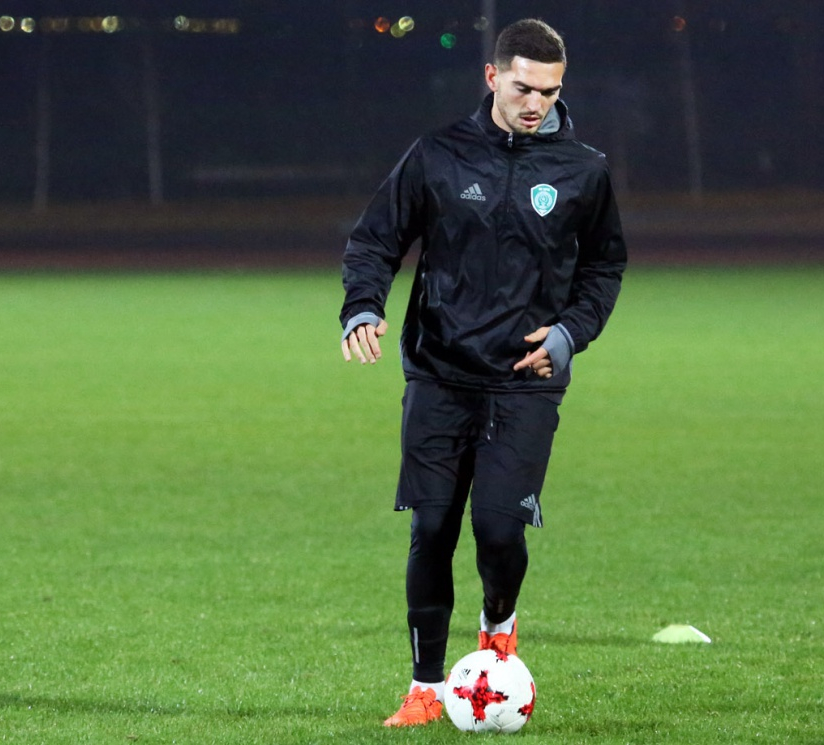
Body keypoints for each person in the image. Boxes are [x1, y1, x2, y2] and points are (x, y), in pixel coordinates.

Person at [338, 18, 627, 728]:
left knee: (499, 530)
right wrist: (363, 307)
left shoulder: (583, 170)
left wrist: (568, 335)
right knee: (432, 526)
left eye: (549, 92)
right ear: (493, 76)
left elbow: (603, 268)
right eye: (524, 87)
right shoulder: (437, 154)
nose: (536, 104)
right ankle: (424, 688)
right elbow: (375, 240)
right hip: (439, 372)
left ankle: (499, 621)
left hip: (526, 379)